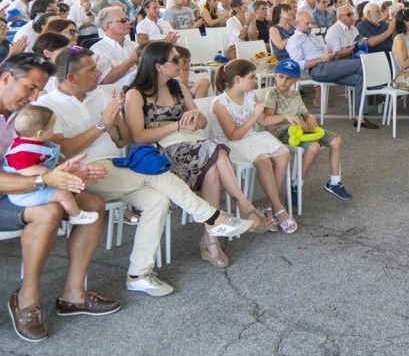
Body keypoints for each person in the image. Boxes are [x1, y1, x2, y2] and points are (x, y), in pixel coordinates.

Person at [39, 47, 252, 296]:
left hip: (116, 165)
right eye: (92, 69)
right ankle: (213, 218)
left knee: (157, 200)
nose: (99, 73)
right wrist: (101, 125)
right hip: (82, 171)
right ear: (71, 77)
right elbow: (63, 150)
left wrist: (114, 118)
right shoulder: (47, 105)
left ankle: (138, 274)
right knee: (154, 172)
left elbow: (121, 140)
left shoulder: (98, 95)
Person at [0, 53, 120, 342]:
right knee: (50, 211)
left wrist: (67, 171)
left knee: (92, 203)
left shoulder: (24, 113)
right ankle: (27, 296)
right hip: (9, 191)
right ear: (6, 78)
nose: (35, 97)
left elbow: (42, 154)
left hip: (22, 187)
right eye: (30, 87)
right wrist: (44, 179)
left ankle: (73, 295)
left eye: (39, 90)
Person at [123, 42, 273, 268]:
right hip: (160, 154)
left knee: (212, 167)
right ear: (158, 66)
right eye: (175, 60)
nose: (181, 63)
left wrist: (195, 117)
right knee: (214, 150)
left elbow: (201, 121)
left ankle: (211, 241)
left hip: (192, 145)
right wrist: (177, 125)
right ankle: (242, 208)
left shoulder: (177, 86)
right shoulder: (135, 94)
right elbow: (138, 136)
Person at [212, 60, 296, 234]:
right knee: (263, 160)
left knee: (283, 154)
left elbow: (263, 120)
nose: (256, 81)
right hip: (230, 144)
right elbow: (233, 135)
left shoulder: (251, 96)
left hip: (249, 137)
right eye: (252, 77)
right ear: (238, 79)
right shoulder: (220, 103)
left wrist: (285, 116)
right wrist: (253, 116)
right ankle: (278, 207)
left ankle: (268, 204)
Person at [262, 59, 350, 201]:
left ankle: (334, 182)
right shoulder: (272, 93)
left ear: (296, 80)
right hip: (283, 131)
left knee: (337, 141)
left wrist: (310, 118)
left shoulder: (295, 94)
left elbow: (305, 113)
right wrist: (289, 118)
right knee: (314, 147)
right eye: (281, 76)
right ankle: (297, 184)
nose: (283, 81)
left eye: (289, 78)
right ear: (275, 76)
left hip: (300, 128)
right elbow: (269, 117)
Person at [2, 105, 98, 225]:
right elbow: (24, 169)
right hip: (23, 193)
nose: (53, 131)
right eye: (52, 127)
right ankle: (76, 215)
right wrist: (45, 171)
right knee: (64, 194)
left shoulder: (34, 143)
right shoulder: (22, 151)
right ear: (40, 133)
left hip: (33, 188)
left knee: (67, 188)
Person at [286, 11, 378, 129]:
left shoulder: (311, 36)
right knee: (360, 63)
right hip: (317, 69)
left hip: (328, 65)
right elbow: (297, 65)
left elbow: (322, 53)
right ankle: (379, 90)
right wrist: (321, 59)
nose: (311, 26)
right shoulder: (294, 40)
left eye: (311, 23)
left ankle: (360, 118)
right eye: (307, 23)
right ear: (297, 23)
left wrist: (332, 54)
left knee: (359, 78)